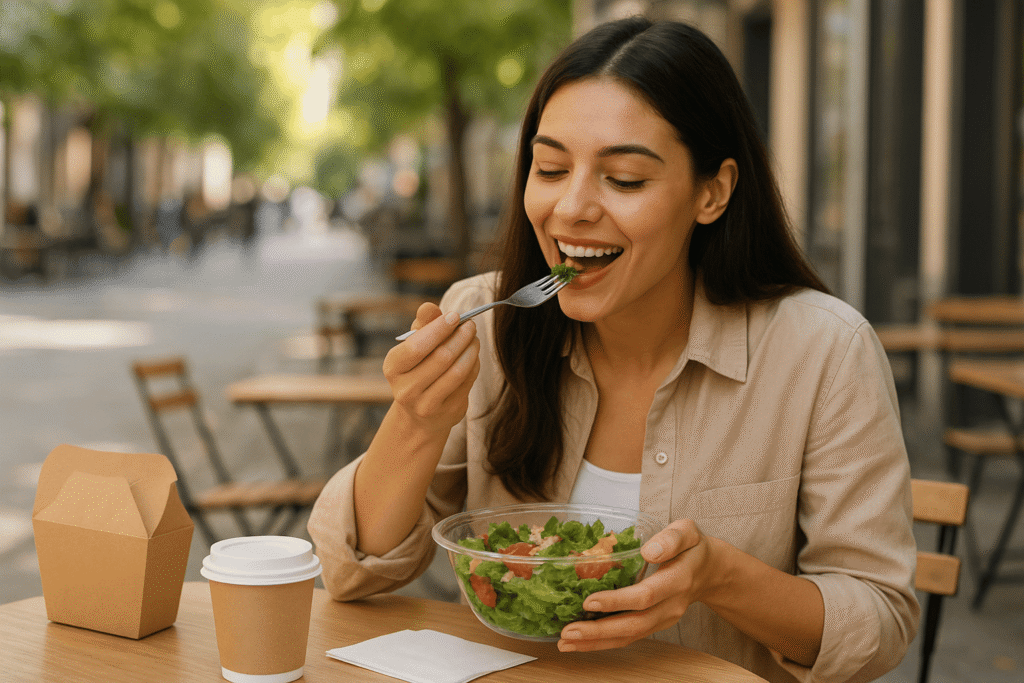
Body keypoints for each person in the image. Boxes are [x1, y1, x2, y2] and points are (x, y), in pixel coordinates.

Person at [308, 16, 919, 683]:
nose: (571, 207)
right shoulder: (482, 322)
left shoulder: (823, 352)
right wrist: (416, 420)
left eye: (624, 179)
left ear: (711, 192)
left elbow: (879, 622)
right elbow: (347, 570)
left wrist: (719, 575)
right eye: (550, 168)